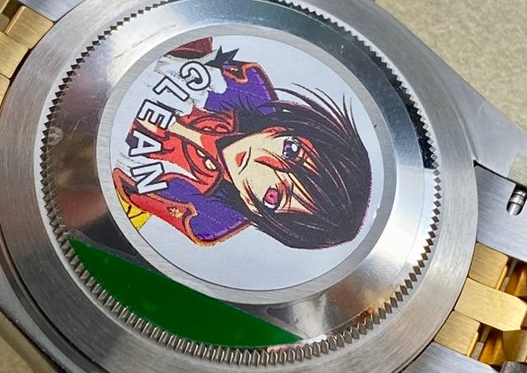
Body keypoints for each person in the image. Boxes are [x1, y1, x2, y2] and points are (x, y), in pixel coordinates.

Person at [113, 39, 373, 249]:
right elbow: (177, 49)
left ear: (255, 209)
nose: (260, 162)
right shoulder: (251, 89)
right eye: (291, 151)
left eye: (273, 195)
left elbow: (122, 185)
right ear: (291, 129)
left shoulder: (209, 220)